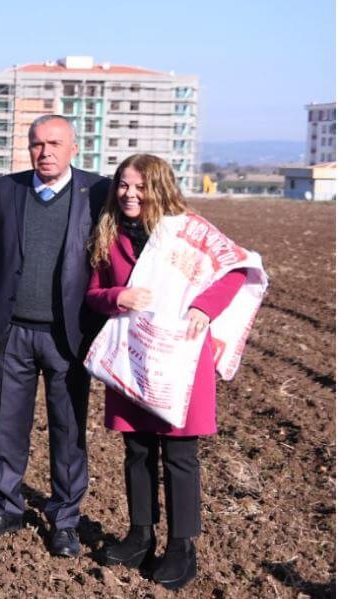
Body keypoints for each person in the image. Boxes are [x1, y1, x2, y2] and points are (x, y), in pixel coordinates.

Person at [86, 154, 253, 590]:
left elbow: (235, 271)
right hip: (134, 357)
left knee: (180, 457)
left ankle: (182, 547)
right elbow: (94, 293)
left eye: (139, 187)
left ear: (158, 188)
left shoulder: (188, 231)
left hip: (180, 361)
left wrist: (203, 307)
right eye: (123, 185)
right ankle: (140, 535)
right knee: (137, 452)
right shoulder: (109, 234)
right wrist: (118, 297)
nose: (129, 194)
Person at [0, 115, 109, 556]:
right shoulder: (6, 190)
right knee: (7, 424)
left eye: (54, 143)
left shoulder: (98, 191)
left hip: (69, 334)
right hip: (12, 332)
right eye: (36, 144)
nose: (44, 152)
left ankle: (64, 518)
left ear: (73, 147)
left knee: (68, 430)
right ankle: (7, 507)